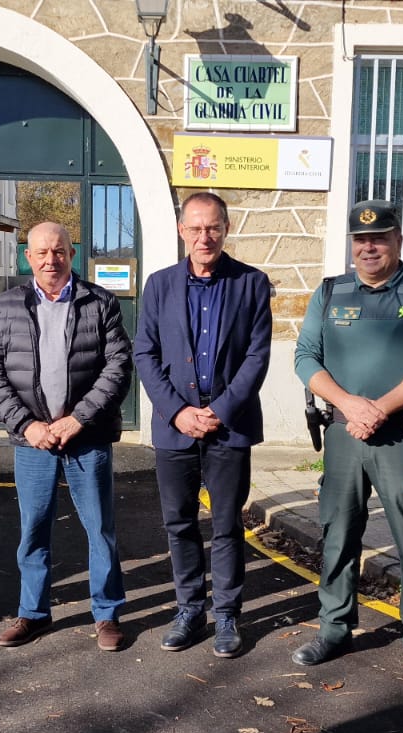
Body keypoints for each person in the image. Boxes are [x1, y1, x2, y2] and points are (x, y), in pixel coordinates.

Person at [290, 200, 403, 690]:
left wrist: (379, 408)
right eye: (360, 240)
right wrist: (349, 403)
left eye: (379, 237)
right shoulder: (330, 292)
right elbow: (305, 357)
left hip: (401, 434)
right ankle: (334, 628)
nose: (368, 247)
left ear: (397, 240)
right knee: (337, 535)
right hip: (345, 433)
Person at [0, 222, 133, 652]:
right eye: (42, 252)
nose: (51, 260)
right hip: (32, 441)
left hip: (86, 436)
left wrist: (78, 419)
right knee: (34, 529)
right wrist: (27, 425)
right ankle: (33, 613)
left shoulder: (100, 302)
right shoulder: (7, 306)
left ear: (72, 254)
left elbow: (118, 367)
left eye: (60, 251)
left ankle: (106, 614)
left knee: (100, 529)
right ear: (27, 257)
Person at [134, 192, 272, 658]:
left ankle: (228, 614)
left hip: (227, 425)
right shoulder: (159, 285)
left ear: (226, 228)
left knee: (228, 524)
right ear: (181, 231)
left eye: (212, 227)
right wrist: (177, 411)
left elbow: (257, 357)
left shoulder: (252, 284)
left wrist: (221, 410)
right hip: (176, 425)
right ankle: (189, 608)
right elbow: (145, 355)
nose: (203, 237)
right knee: (179, 524)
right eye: (194, 228)